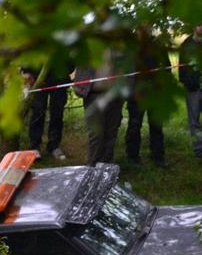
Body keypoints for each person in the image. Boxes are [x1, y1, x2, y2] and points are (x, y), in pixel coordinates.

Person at [123, 27, 172, 168]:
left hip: (155, 93)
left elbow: (167, 67)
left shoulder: (158, 45)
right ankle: (132, 157)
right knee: (134, 125)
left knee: (156, 125)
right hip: (136, 93)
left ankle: (158, 156)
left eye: (148, 26)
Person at [74, 51, 125, 166]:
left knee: (111, 132)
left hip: (115, 95)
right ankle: (93, 167)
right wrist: (80, 88)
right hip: (93, 95)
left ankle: (107, 166)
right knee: (96, 134)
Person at [23, 57, 73, 160]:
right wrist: (27, 71)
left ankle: (54, 146)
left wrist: (67, 69)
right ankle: (34, 146)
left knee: (57, 112)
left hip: (59, 78)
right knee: (38, 111)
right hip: (38, 78)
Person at [179, 25, 202, 157]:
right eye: (199, 24)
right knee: (194, 121)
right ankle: (199, 149)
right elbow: (181, 68)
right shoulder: (186, 44)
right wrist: (189, 83)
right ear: (194, 27)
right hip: (193, 89)